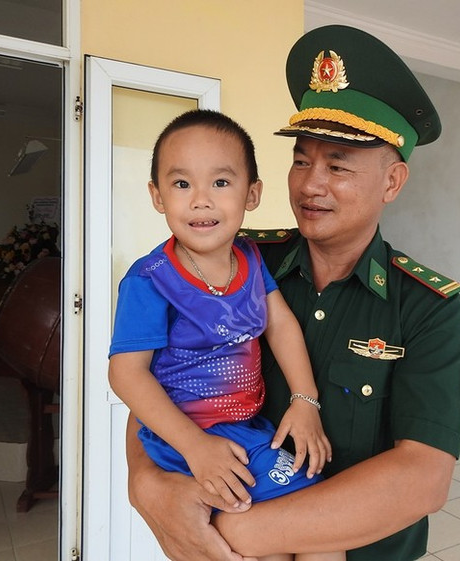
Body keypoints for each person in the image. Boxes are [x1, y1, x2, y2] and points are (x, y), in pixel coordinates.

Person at [125, 24, 460, 561]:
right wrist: (146, 485)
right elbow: (162, 378)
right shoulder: (240, 263)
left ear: (392, 182)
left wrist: (241, 535)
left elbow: (423, 479)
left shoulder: (426, 308)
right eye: (302, 159)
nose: (310, 184)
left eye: (338, 165)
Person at [109, 109, 344, 561]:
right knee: (286, 536)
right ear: (157, 196)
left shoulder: (252, 260)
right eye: (181, 184)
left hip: (244, 430)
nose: (201, 200)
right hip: (185, 440)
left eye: (220, 183)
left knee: (309, 537)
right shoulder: (149, 280)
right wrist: (195, 447)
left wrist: (304, 399)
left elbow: (280, 325)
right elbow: (126, 375)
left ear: (251, 193)